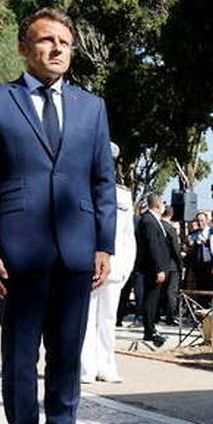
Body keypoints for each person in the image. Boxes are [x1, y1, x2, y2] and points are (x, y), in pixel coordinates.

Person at [0, 7, 116, 424]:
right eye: (45, 41)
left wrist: (104, 244)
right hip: (15, 258)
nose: (56, 49)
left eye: (64, 42)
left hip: (75, 255)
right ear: (24, 49)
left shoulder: (92, 107)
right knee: (21, 360)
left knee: (68, 357)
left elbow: (102, 181)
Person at [81, 144, 135, 384]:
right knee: (87, 319)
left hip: (115, 268)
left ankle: (107, 365)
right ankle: (86, 368)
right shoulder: (82, 190)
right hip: (87, 267)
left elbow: (127, 236)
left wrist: (125, 269)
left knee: (107, 319)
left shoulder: (123, 195)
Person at [135, 194, 173, 346]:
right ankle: (149, 331)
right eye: (163, 203)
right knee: (150, 299)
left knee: (154, 299)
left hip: (158, 266)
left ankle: (151, 328)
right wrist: (159, 268)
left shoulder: (153, 220)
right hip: (152, 268)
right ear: (157, 205)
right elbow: (153, 246)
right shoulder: (149, 221)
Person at [159, 207, 183, 324]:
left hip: (159, 264)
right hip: (172, 265)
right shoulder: (170, 228)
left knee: (159, 291)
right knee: (171, 292)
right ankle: (170, 316)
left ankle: (156, 315)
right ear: (171, 215)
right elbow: (175, 248)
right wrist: (180, 264)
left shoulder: (156, 226)